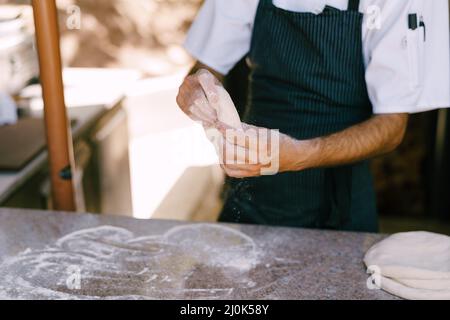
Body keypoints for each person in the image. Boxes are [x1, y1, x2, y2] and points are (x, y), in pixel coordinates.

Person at [176, 0, 450, 232]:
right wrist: (198, 91)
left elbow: (392, 127)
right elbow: (206, 69)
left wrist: (299, 154)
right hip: (252, 193)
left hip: (341, 208)